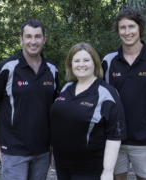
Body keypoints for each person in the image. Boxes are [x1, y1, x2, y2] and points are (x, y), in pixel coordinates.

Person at [102, 8, 146, 180]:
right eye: (122, 27)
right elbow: (101, 99)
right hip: (115, 138)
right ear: (117, 31)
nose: (127, 32)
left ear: (140, 28)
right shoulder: (108, 61)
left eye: (131, 26)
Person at [0, 19, 60, 180]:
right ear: (21, 39)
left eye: (37, 36)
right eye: (28, 36)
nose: (33, 41)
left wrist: (56, 146)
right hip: (14, 150)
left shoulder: (52, 69)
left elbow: (56, 110)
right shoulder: (6, 68)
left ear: (44, 39)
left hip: (43, 151)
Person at [50, 42, 127, 180]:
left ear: (95, 63)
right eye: (76, 61)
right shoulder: (66, 88)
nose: (81, 64)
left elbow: (115, 135)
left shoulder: (107, 93)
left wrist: (108, 172)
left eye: (86, 60)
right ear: (70, 64)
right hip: (63, 166)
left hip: (89, 169)